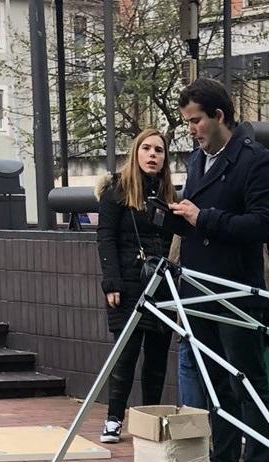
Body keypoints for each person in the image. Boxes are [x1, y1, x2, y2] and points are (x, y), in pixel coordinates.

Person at [168, 78, 269, 462]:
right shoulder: (199, 161)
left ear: (219, 115)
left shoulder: (256, 161)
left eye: (196, 120)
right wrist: (174, 216)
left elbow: (263, 225)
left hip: (236, 289)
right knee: (215, 380)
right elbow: (197, 216)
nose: (192, 129)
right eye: (187, 122)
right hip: (198, 285)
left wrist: (204, 219)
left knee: (248, 380)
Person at [95, 128, 175, 443]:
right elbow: (105, 237)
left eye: (159, 150)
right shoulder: (116, 190)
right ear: (136, 152)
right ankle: (114, 417)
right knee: (125, 354)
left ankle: (150, 420)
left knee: (156, 358)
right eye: (147, 148)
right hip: (127, 284)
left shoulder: (169, 195)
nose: (153, 155)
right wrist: (111, 283)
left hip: (161, 284)